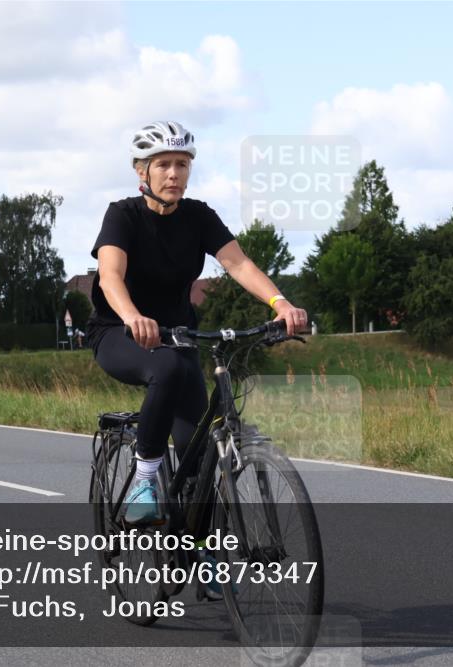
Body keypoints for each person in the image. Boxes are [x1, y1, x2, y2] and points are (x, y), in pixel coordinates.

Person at [86, 121, 309, 530]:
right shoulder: (123, 216)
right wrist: (132, 316)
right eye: (164, 164)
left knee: (200, 453)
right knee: (166, 368)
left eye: (183, 164)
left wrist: (280, 303)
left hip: (180, 336)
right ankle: (144, 478)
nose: (174, 174)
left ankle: (200, 550)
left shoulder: (198, 216)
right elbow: (110, 277)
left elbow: (237, 263)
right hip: (119, 332)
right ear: (142, 171)